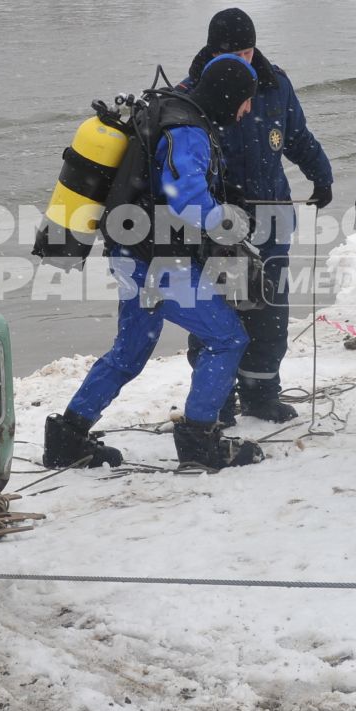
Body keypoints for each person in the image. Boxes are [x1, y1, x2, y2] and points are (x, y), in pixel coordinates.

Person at [43, 54, 268, 472]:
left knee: (131, 349)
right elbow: (187, 202)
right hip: (159, 262)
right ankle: (200, 443)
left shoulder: (168, 108)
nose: (248, 109)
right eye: (246, 100)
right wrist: (231, 223)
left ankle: (67, 438)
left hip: (129, 251)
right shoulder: (188, 131)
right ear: (230, 95)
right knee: (227, 339)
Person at [181, 7, 333, 423]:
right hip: (219, 224)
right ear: (212, 52)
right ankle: (217, 399)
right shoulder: (192, 93)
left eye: (248, 51)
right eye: (233, 53)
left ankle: (261, 392)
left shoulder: (274, 83)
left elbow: (297, 136)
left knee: (270, 308)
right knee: (216, 313)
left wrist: (321, 176)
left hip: (272, 215)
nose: (242, 61)